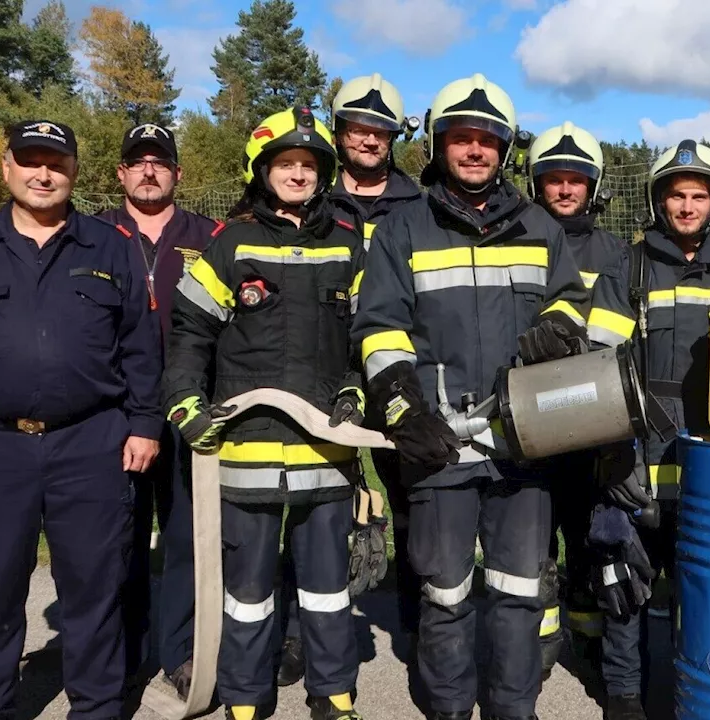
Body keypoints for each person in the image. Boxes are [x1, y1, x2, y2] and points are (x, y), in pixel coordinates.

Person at [351, 73, 591, 720]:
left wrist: (558, 328)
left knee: (518, 593)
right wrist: (402, 409)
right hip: (438, 444)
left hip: (521, 441)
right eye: (462, 138)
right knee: (445, 592)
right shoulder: (403, 230)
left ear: (505, 149)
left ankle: (514, 708)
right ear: (439, 145)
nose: (475, 150)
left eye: (488, 139)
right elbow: (378, 328)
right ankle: (451, 709)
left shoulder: (539, 226)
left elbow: (573, 300)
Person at [0, 119, 163, 719]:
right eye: (30, 160)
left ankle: (96, 708)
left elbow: (141, 348)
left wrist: (145, 423)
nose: (43, 173)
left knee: (95, 590)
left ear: (74, 171)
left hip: (92, 443)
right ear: (7, 167)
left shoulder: (111, 245)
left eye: (56, 162)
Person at [162, 106, 367, 720]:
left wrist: (358, 390)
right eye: (287, 164)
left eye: (309, 165)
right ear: (263, 170)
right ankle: (246, 698)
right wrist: (185, 405)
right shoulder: (229, 244)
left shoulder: (348, 247)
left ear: (324, 173)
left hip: (327, 451)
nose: (299, 174)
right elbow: (189, 333)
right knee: (246, 592)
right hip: (244, 451)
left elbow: (370, 334)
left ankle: (334, 694)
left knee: (329, 592)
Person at [583, 139, 710, 720]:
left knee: (704, 591)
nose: (687, 206)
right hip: (638, 457)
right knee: (624, 583)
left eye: (699, 195)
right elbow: (599, 368)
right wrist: (613, 456)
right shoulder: (629, 266)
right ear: (659, 201)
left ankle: (695, 688)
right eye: (677, 195)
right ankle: (624, 696)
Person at [277, 72, 423, 689]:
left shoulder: (420, 206)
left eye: (380, 130)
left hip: (396, 374)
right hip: (325, 372)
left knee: (418, 501)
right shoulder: (311, 199)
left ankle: (420, 625)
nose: (368, 139)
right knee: (307, 506)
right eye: (357, 128)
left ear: (394, 138)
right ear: (339, 133)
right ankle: (296, 635)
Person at [95, 121, 217, 697]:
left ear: (177, 174)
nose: (149, 170)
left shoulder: (212, 235)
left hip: (189, 408)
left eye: (160, 162)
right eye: (138, 161)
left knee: (188, 536)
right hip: (112, 414)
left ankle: (182, 649)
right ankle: (123, 650)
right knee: (117, 537)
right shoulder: (90, 234)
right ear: (120, 173)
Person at [523, 120, 626, 683]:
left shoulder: (614, 252)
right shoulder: (514, 239)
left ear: (594, 185)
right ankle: (538, 641)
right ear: (535, 183)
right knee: (534, 537)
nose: (564, 190)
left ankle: (588, 635)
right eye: (553, 179)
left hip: (591, 416)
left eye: (576, 179)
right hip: (529, 418)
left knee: (589, 535)